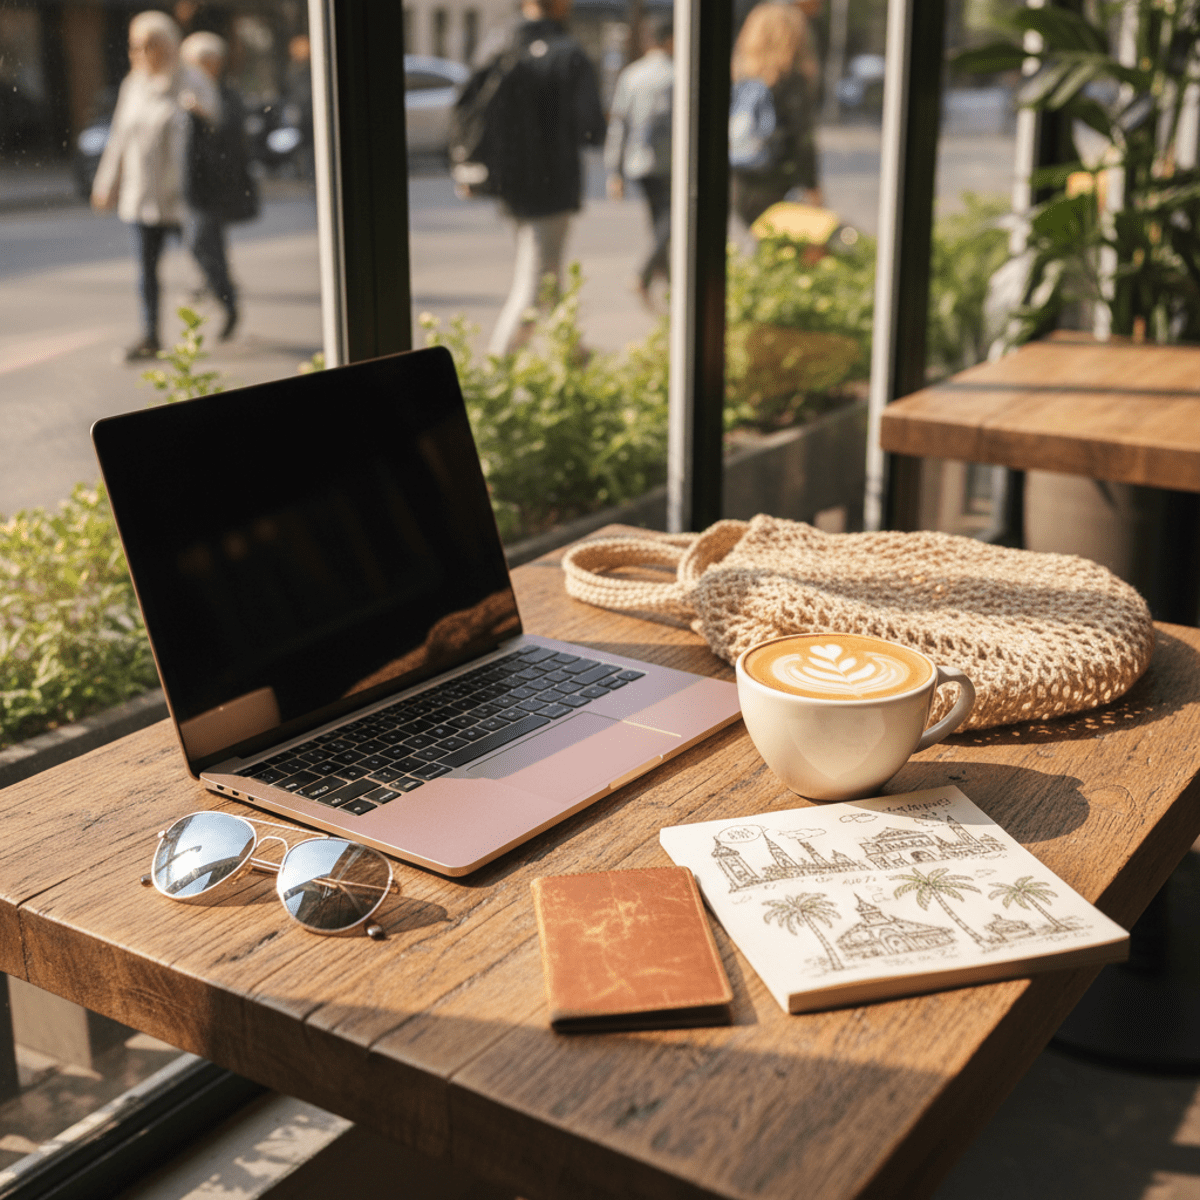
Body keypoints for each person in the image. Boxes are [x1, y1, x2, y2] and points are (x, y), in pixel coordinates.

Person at [465, 0, 606, 356]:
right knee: (533, 286)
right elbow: (592, 127)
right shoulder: (569, 52)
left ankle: (574, 357)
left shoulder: (497, 44)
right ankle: (497, 376)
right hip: (553, 184)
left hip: (508, 184)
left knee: (546, 277)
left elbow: (468, 108)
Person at [91, 11, 217, 361]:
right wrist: (106, 183)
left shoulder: (191, 79)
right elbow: (118, 138)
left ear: (169, 45)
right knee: (147, 273)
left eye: (150, 45)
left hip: (182, 197)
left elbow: (215, 122)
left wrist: (200, 112)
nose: (142, 53)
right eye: (136, 46)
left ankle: (223, 307)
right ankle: (150, 335)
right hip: (141, 196)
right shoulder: (133, 85)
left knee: (202, 262)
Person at [180, 31, 256, 341]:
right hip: (184, 185)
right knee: (207, 245)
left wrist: (202, 116)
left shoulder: (226, 95)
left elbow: (230, 141)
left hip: (212, 187)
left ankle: (225, 298)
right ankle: (220, 289)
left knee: (201, 241)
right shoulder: (181, 92)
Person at [729, 2, 822, 230]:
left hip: (742, 181)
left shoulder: (742, 79)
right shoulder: (792, 82)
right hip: (778, 184)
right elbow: (802, 140)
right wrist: (813, 188)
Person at [604, 15, 674, 310]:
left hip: (638, 162)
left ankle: (669, 282)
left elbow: (619, 126)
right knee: (670, 223)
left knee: (659, 221)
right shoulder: (677, 74)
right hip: (670, 163)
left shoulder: (632, 75)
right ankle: (645, 274)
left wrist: (614, 171)